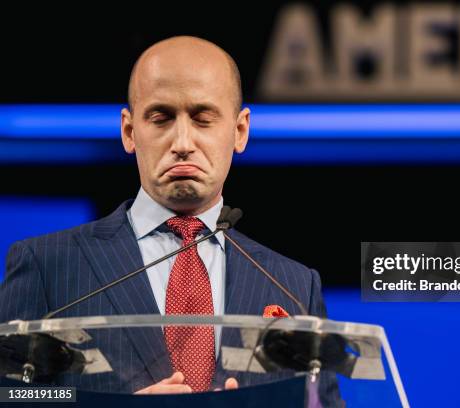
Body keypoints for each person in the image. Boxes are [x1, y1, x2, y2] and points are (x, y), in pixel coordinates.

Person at [0, 36, 342, 405]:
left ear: (239, 131)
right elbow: (11, 396)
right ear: (130, 131)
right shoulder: (48, 264)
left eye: (203, 118)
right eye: (161, 118)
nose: (182, 141)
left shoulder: (293, 285)